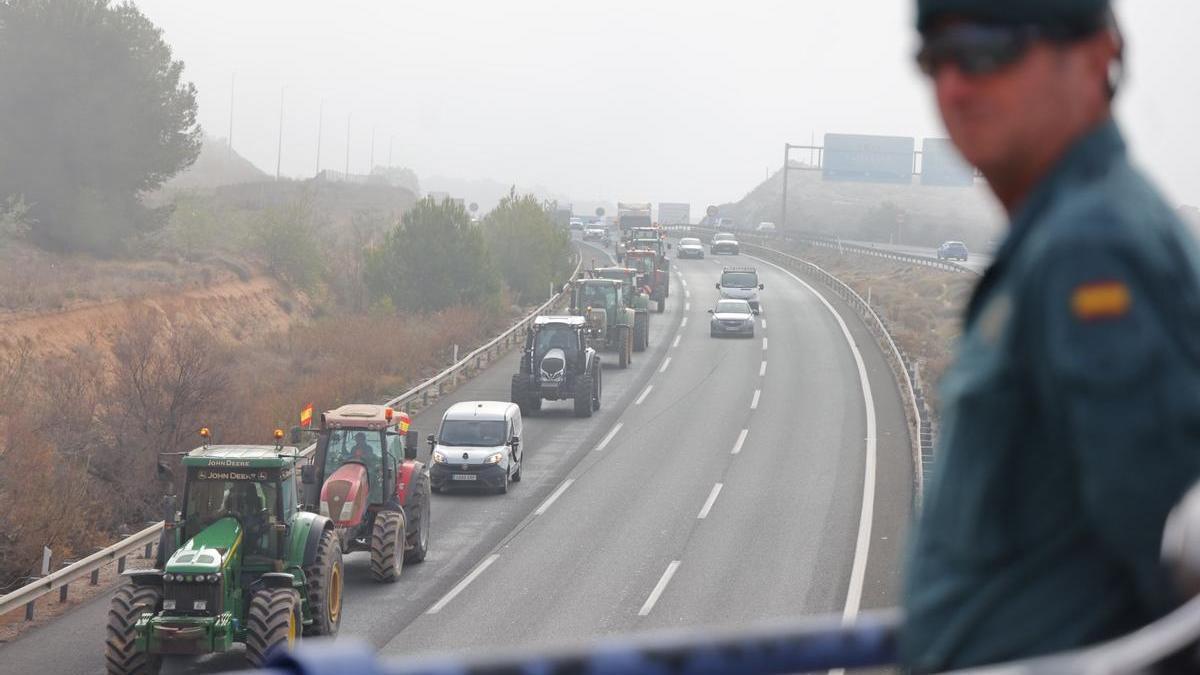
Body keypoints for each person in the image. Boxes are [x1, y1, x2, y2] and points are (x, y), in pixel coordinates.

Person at [903, 0, 1200, 670]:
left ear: (1097, 57)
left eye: (987, 51)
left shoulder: (1093, 253)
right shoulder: (1056, 237)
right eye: (935, 59)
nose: (954, 85)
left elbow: (1173, 578)